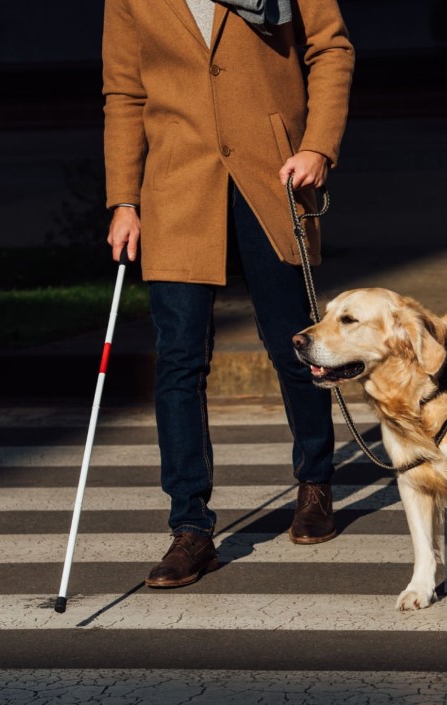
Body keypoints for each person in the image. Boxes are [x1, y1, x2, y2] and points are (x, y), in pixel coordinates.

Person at [102, 0, 355, 588]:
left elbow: (331, 48)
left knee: (295, 345)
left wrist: (318, 145)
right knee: (180, 362)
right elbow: (124, 93)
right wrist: (124, 199)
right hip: (176, 185)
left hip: (272, 174)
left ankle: (315, 482)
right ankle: (190, 528)